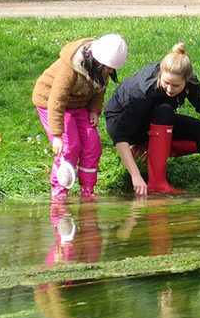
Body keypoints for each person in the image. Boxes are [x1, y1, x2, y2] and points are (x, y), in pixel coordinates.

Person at [104, 43, 200, 195]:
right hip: (121, 119)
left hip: (156, 120)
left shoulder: (193, 84)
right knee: (164, 110)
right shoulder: (144, 91)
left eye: (176, 85)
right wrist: (136, 175)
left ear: (187, 80)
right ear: (160, 74)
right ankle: (157, 182)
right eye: (166, 83)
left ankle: (143, 153)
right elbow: (120, 135)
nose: (170, 89)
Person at [33, 33, 128, 200]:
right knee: (70, 146)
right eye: (107, 67)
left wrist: (94, 110)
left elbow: (99, 91)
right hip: (52, 103)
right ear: (96, 60)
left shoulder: (102, 67)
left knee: (92, 144)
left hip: (79, 105)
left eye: (112, 69)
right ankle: (59, 191)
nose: (110, 71)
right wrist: (57, 135)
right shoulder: (69, 69)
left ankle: (87, 190)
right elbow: (56, 100)